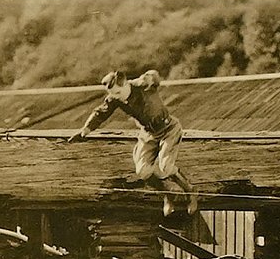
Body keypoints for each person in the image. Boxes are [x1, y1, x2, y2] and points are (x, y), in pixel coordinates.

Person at [68, 69, 197, 216]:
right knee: (143, 171)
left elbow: (155, 75)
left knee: (165, 167)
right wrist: (85, 130)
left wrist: (150, 77)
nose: (116, 97)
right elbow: (101, 112)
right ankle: (167, 195)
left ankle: (190, 191)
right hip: (148, 134)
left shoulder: (142, 84)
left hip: (168, 128)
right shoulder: (115, 98)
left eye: (118, 92)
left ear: (124, 84)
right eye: (113, 94)